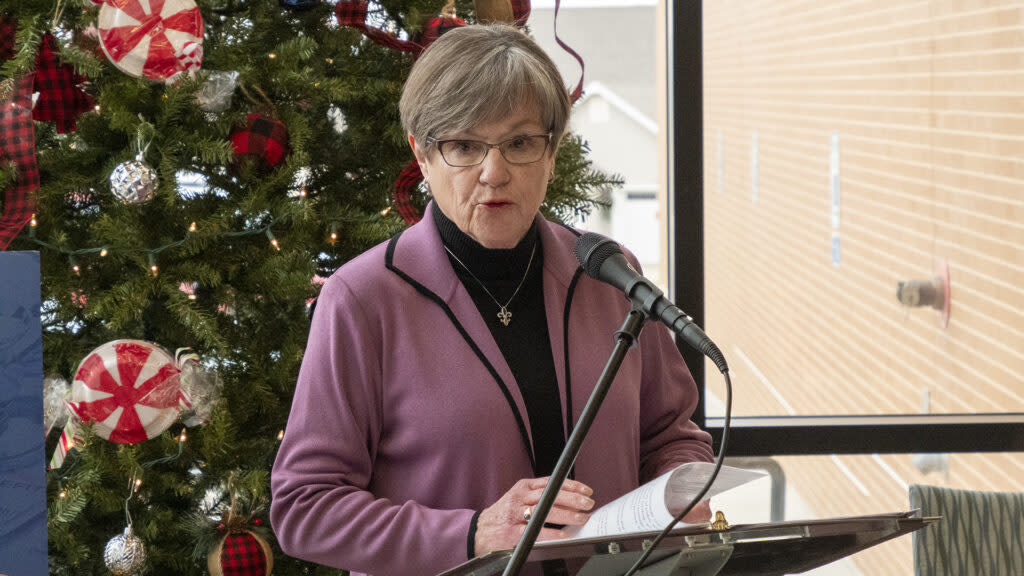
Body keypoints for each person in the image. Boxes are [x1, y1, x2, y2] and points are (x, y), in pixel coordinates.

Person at [270, 23, 713, 576]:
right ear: (422, 156)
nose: (494, 171)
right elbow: (304, 509)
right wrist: (472, 533)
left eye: (521, 143)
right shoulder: (362, 298)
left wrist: (681, 491)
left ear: (551, 154)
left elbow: (672, 436)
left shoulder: (609, 273)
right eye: (463, 145)